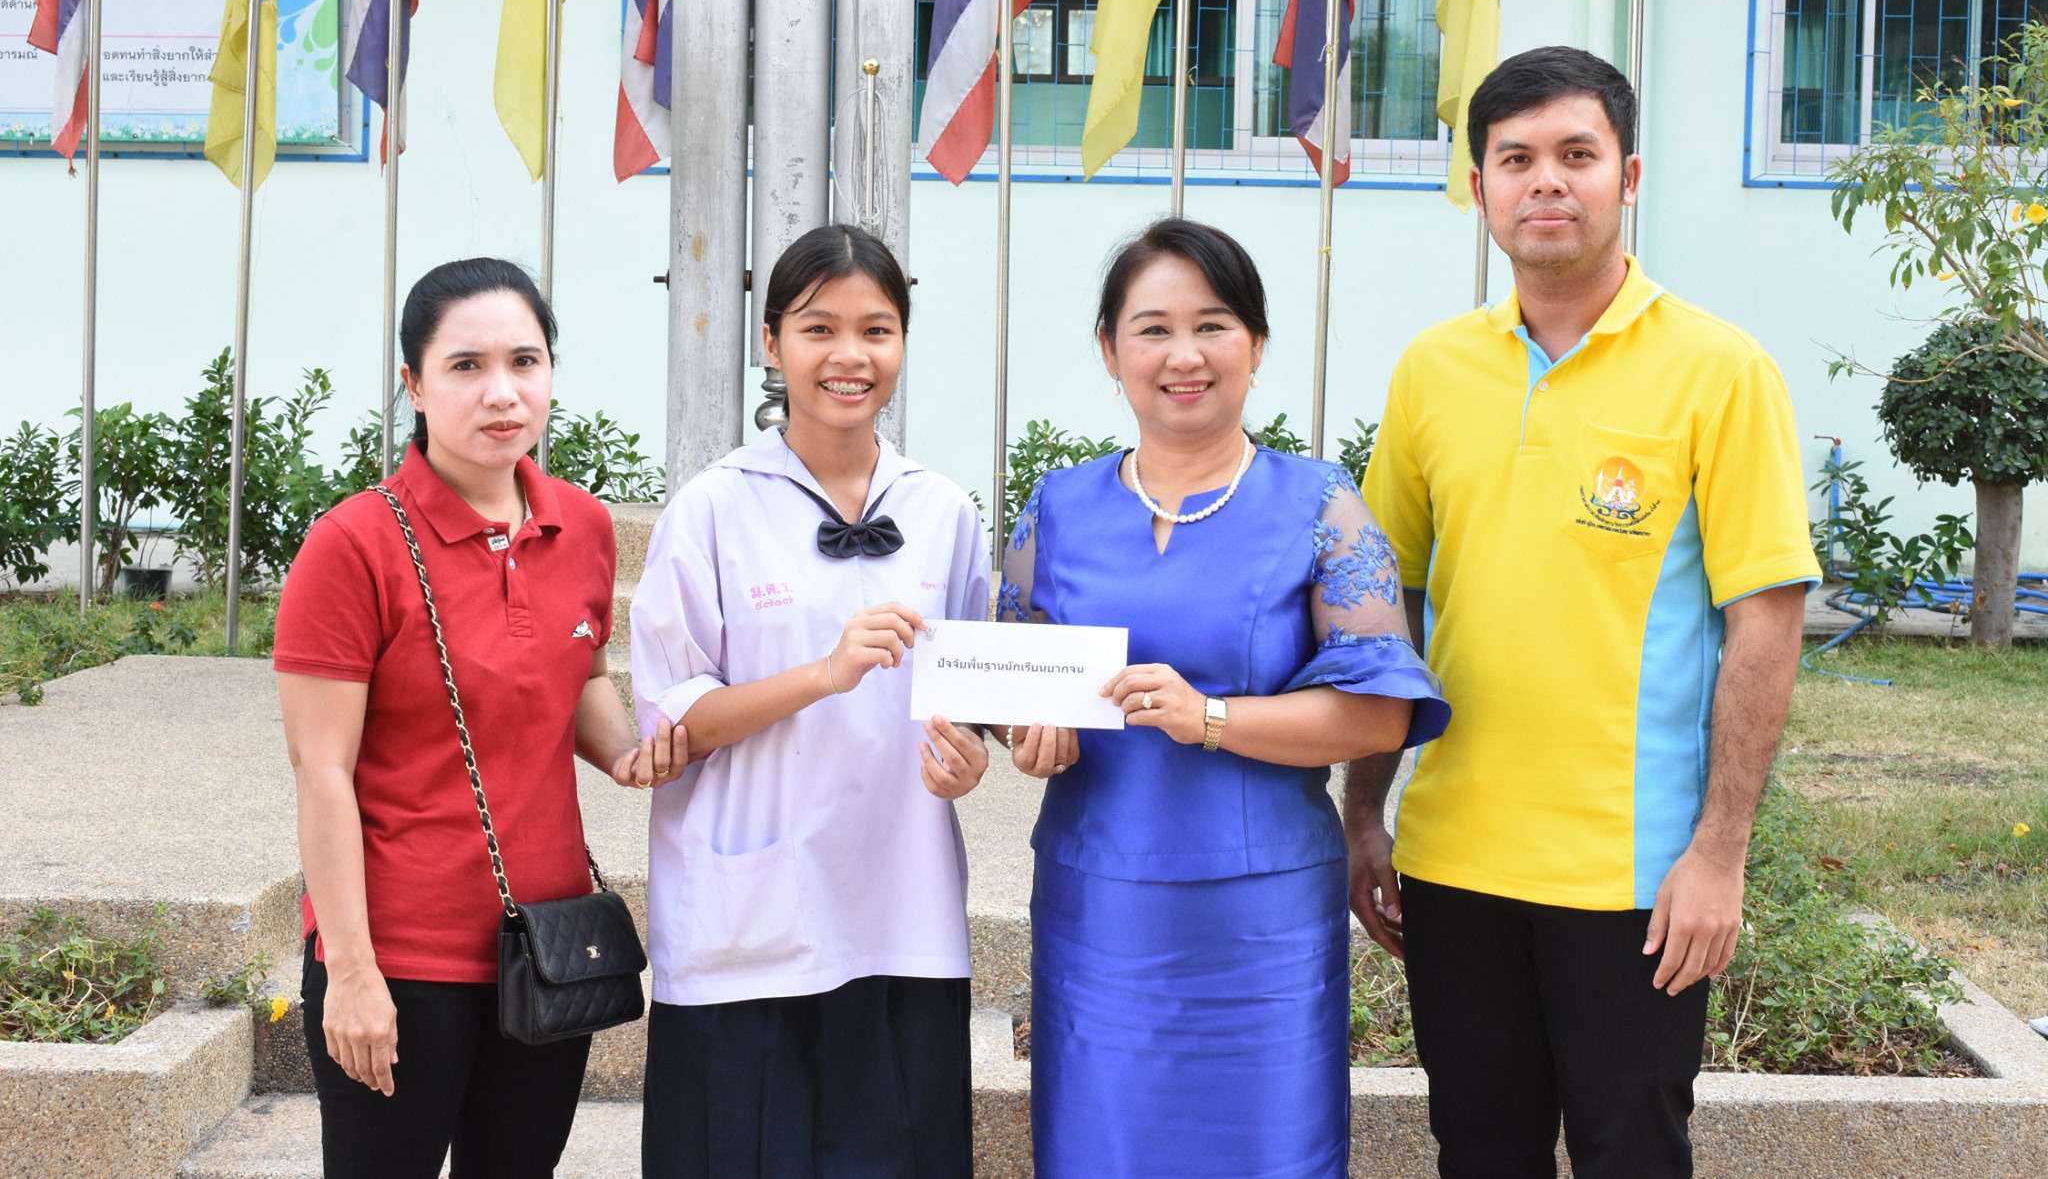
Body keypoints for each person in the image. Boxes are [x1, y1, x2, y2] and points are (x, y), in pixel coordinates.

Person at [1346, 46, 1821, 1178]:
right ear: (1479, 187)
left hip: (1635, 878)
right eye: (1515, 159)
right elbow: (1383, 603)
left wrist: (1718, 854)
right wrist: (1363, 812)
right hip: (1454, 862)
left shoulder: (1719, 370)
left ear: (1629, 176)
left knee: (1632, 1154)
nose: (1545, 181)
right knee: (1478, 1152)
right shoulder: (1431, 371)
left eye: (1576, 154)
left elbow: (1765, 620)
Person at [999, 217, 1450, 1178]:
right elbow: (1009, 680)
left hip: (1263, 917)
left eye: (1213, 325)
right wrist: (1025, 731)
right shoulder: (1057, 508)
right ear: (1110, 349)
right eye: (1153, 329)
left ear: (1256, 343)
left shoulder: (1322, 505)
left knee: (1269, 1153)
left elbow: (1380, 712)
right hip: (1099, 905)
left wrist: (1208, 717)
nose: (1185, 355)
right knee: (1100, 1151)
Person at [275, 258, 686, 1178]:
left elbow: (578, 668)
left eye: (524, 362)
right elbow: (321, 770)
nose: (502, 392)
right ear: (415, 384)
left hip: (548, 947)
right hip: (400, 957)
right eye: (466, 366)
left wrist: (626, 751)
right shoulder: (353, 544)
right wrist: (350, 970)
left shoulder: (581, 524)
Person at [630, 224, 992, 1178]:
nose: (849, 356)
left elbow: (969, 695)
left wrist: (969, 758)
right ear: (771, 340)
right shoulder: (714, 506)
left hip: (903, 915)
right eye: (818, 328)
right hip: (748, 926)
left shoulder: (944, 512)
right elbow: (671, 719)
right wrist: (823, 674)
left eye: (876, 329)